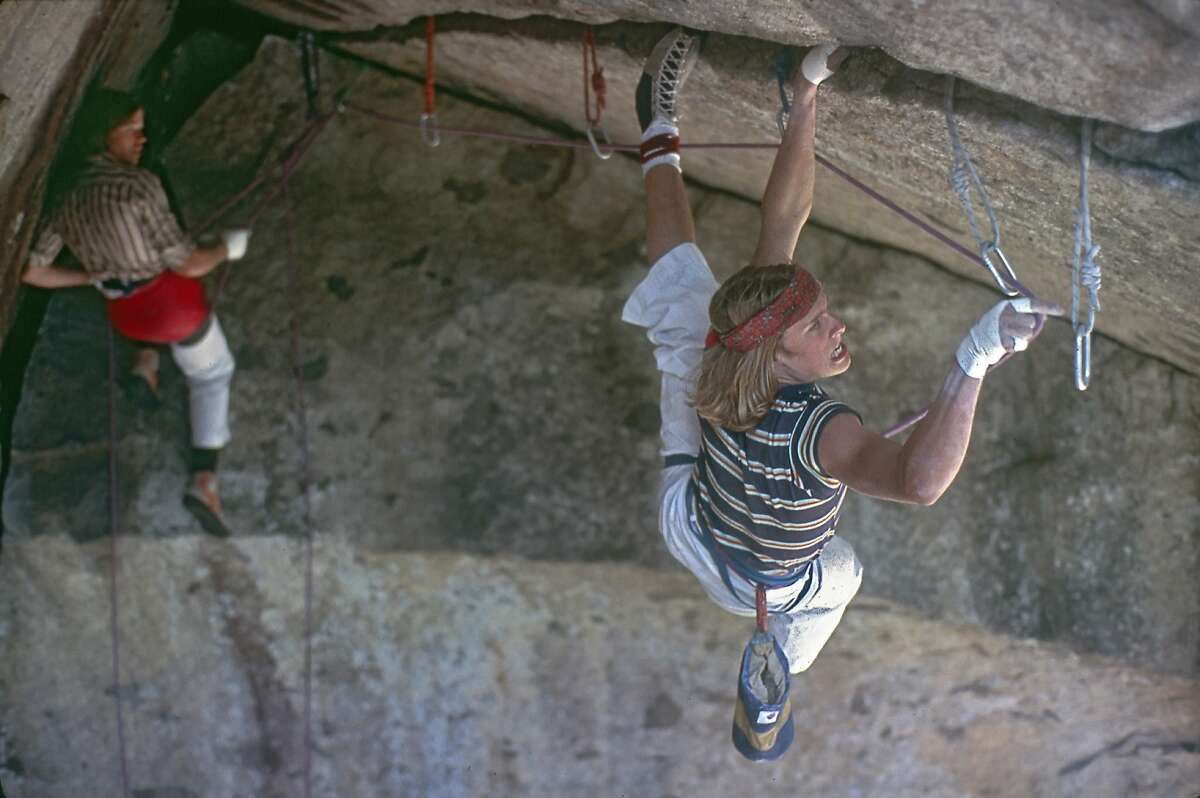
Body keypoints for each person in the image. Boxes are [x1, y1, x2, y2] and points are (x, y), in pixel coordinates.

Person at [623, 30, 1061, 675]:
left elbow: (783, 223)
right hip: (743, 573)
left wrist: (805, 95)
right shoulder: (818, 432)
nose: (838, 326)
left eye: (823, 313)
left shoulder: (732, 347)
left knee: (680, 297)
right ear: (776, 354)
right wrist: (974, 356)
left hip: (693, 514)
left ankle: (657, 127)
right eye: (817, 324)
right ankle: (787, 666)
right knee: (843, 571)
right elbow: (918, 484)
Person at [21, 89, 250, 537]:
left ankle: (145, 363)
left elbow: (33, 271)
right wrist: (228, 247)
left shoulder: (66, 195)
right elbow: (189, 263)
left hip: (124, 311)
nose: (142, 140)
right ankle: (205, 479)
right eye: (133, 131)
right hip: (172, 306)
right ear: (105, 136)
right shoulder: (139, 186)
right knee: (213, 373)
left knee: (137, 303)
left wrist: (93, 277)